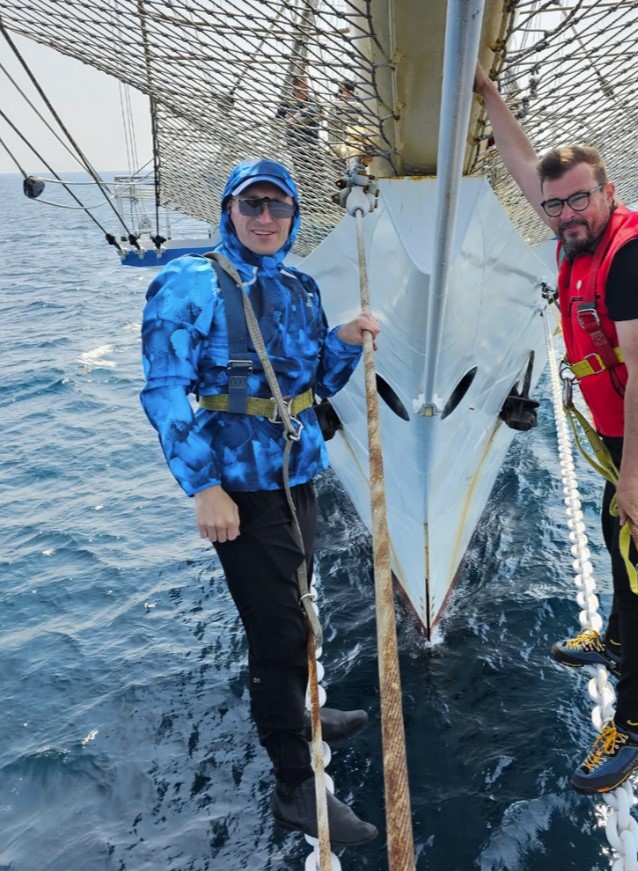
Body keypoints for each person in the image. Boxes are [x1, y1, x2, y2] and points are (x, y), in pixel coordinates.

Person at [473, 64, 638, 794]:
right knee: (614, 540)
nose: (565, 213)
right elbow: (523, 166)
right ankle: (609, 640)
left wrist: (634, 475)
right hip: (621, 433)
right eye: (555, 205)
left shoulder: (632, 257)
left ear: (609, 193)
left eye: (580, 199)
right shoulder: (571, 234)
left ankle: (632, 731)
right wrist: (488, 98)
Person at [140, 158, 379, 846]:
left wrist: (346, 340)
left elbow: (314, 383)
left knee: (303, 607)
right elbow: (163, 389)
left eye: (278, 206)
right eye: (253, 206)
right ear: (229, 210)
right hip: (238, 489)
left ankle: (305, 710)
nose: (266, 218)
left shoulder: (300, 286)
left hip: (296, 472)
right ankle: (296, 787)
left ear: (294, 214)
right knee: (278, 635)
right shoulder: (191, 281)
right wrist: (204, 486)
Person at [276, 75, 322, 148]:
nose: (307, 90)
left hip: (311, 141)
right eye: (304, 87)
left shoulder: (314, 101)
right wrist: (285, 117)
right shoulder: (287, 102)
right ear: (296, 89)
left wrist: (296, 116)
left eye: (307, 87)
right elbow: (278, 118)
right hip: (294, 141)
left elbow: (312, 111)